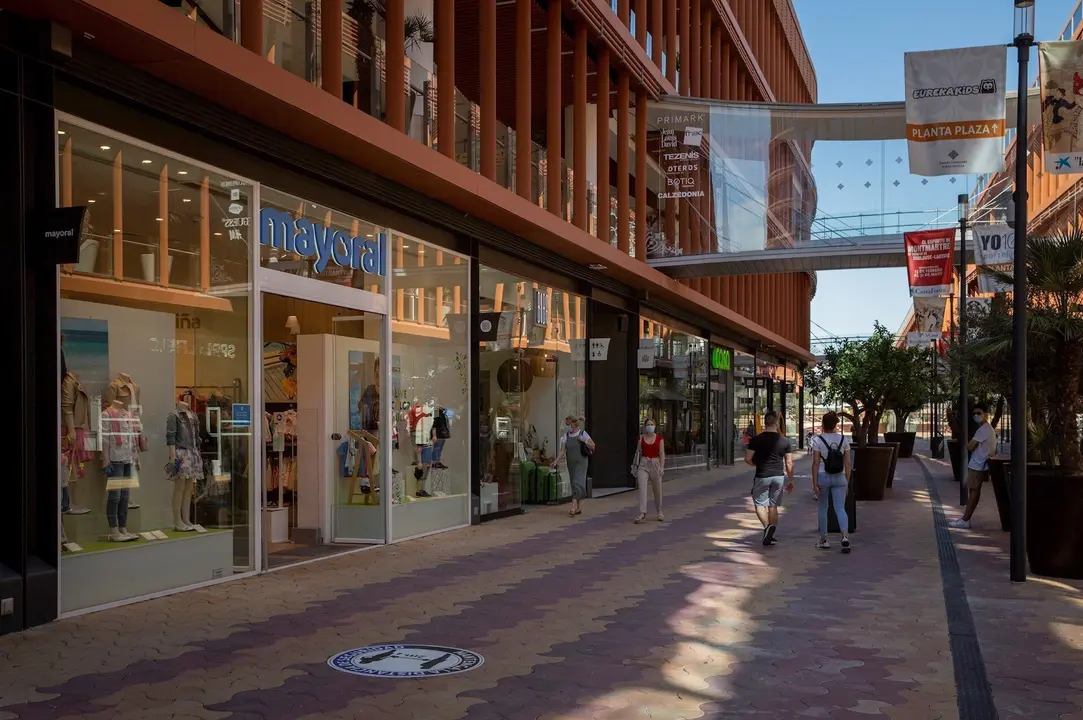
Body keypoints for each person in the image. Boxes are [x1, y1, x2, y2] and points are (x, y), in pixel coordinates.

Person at [744, 411, 795, 546]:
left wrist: (756, 463)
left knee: (760, 504)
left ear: (764, 423)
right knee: (773, 506)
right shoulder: (784, 441)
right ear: (776, 423)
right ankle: (770, 534)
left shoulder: (756, 440)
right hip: (778, 476)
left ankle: (767, 528)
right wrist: (791, 479)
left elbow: (748, 458)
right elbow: (789, 462)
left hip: (762, 475)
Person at [809, 411, 852, 553]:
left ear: (823, 424)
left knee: (823, 508)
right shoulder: (844, 440)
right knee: (840, 508)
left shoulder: (817, 440)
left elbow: (815, 463)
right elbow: (847, 463)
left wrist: (814, 483)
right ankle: (845, 537)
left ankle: (824, 539)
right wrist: (847, 481)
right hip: (840, 477)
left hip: (823, 476)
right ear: (836, 424)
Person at [949, 404, 996, 529]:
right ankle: (965, 518)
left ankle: (965, 519)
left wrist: (970, 443)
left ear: (985, 414)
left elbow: (969, 446)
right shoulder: (986, 429)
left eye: (979, 413)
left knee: (974, 492)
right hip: (979, 464)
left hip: (977, 464)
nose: (976, 416)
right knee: (974, 491)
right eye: (974, 413)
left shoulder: (983, 430)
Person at [552, 415, 595, 517]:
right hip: (571, 463)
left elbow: (593, 446)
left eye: (568, 425)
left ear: (573, 424)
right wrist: (556, 461)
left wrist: (584, 440)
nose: (566, 427)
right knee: (574, 483)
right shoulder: (565, 436)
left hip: (582, 462)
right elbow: (562, 451)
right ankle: (579, 508)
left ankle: (573, 507)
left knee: (577, 482)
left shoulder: (582, 433)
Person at [633, 418, 665, 524]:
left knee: (657, 490)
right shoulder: (641, 438)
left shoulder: (659, 438)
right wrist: (635, 465)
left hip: (655, 464)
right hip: (644, 464)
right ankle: (643, 513)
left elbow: (661, 453)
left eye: (652, 424)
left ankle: (659, 511)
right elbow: (638, 452)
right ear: (645, 426)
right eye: (648, 424)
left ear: (655, 426)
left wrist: (661, 467)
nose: (650, 426)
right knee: (642, 489)